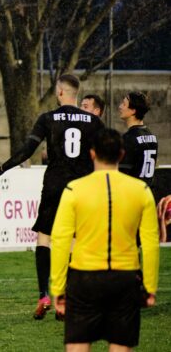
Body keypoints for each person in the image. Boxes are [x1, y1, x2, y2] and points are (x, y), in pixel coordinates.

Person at [0, 74, 104, 319]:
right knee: (73, 241)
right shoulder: (93, 121)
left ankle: (44, 295)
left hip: (54, 184)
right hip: (82, 188)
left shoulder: (48, 118)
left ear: (60, 92)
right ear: (76, 94)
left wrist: (0, 169)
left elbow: (27, 151)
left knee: (44, 237)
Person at [50, 128, 159, 351]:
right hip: (124, 279)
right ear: (121, 154)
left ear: (91, 154)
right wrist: (149, 286)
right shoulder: (141, 191)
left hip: (84, 280)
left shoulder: (74, 190)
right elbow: (150, 243)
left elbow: (60, 240)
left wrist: (58, 289)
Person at [118, 92, 158, 186]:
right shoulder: (152, 137)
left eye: (124, 104)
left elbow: (123, 174)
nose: (120, 107)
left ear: (133, 111)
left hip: (132, 195)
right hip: (147, 193)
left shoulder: (128, 138)